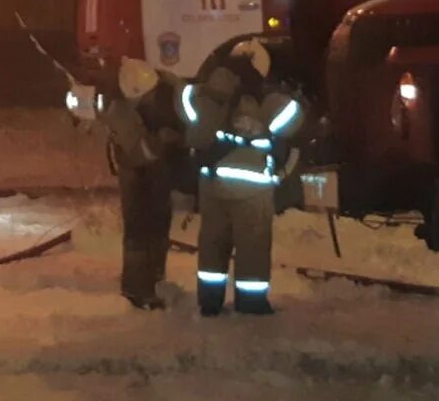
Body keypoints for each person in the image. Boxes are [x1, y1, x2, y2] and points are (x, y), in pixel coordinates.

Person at [184, 38, 305, 316]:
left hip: (211, 182)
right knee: (252, 246)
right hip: (250, 185)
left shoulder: (206, 94)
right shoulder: (264, 98)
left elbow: (186, 110)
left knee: (213, 242)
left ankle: (210, 300)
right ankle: (251, 302)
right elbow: (293, 120)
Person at [103, 56, 185, 310]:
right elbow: (143, 151)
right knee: (139, 230)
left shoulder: (161, 88)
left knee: (159, 224)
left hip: (156, 170)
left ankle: (155, 278)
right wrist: (165, 139)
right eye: (145, 97)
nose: (150, 99)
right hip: (135, 172)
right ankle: (137, 290)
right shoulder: (119, 110)